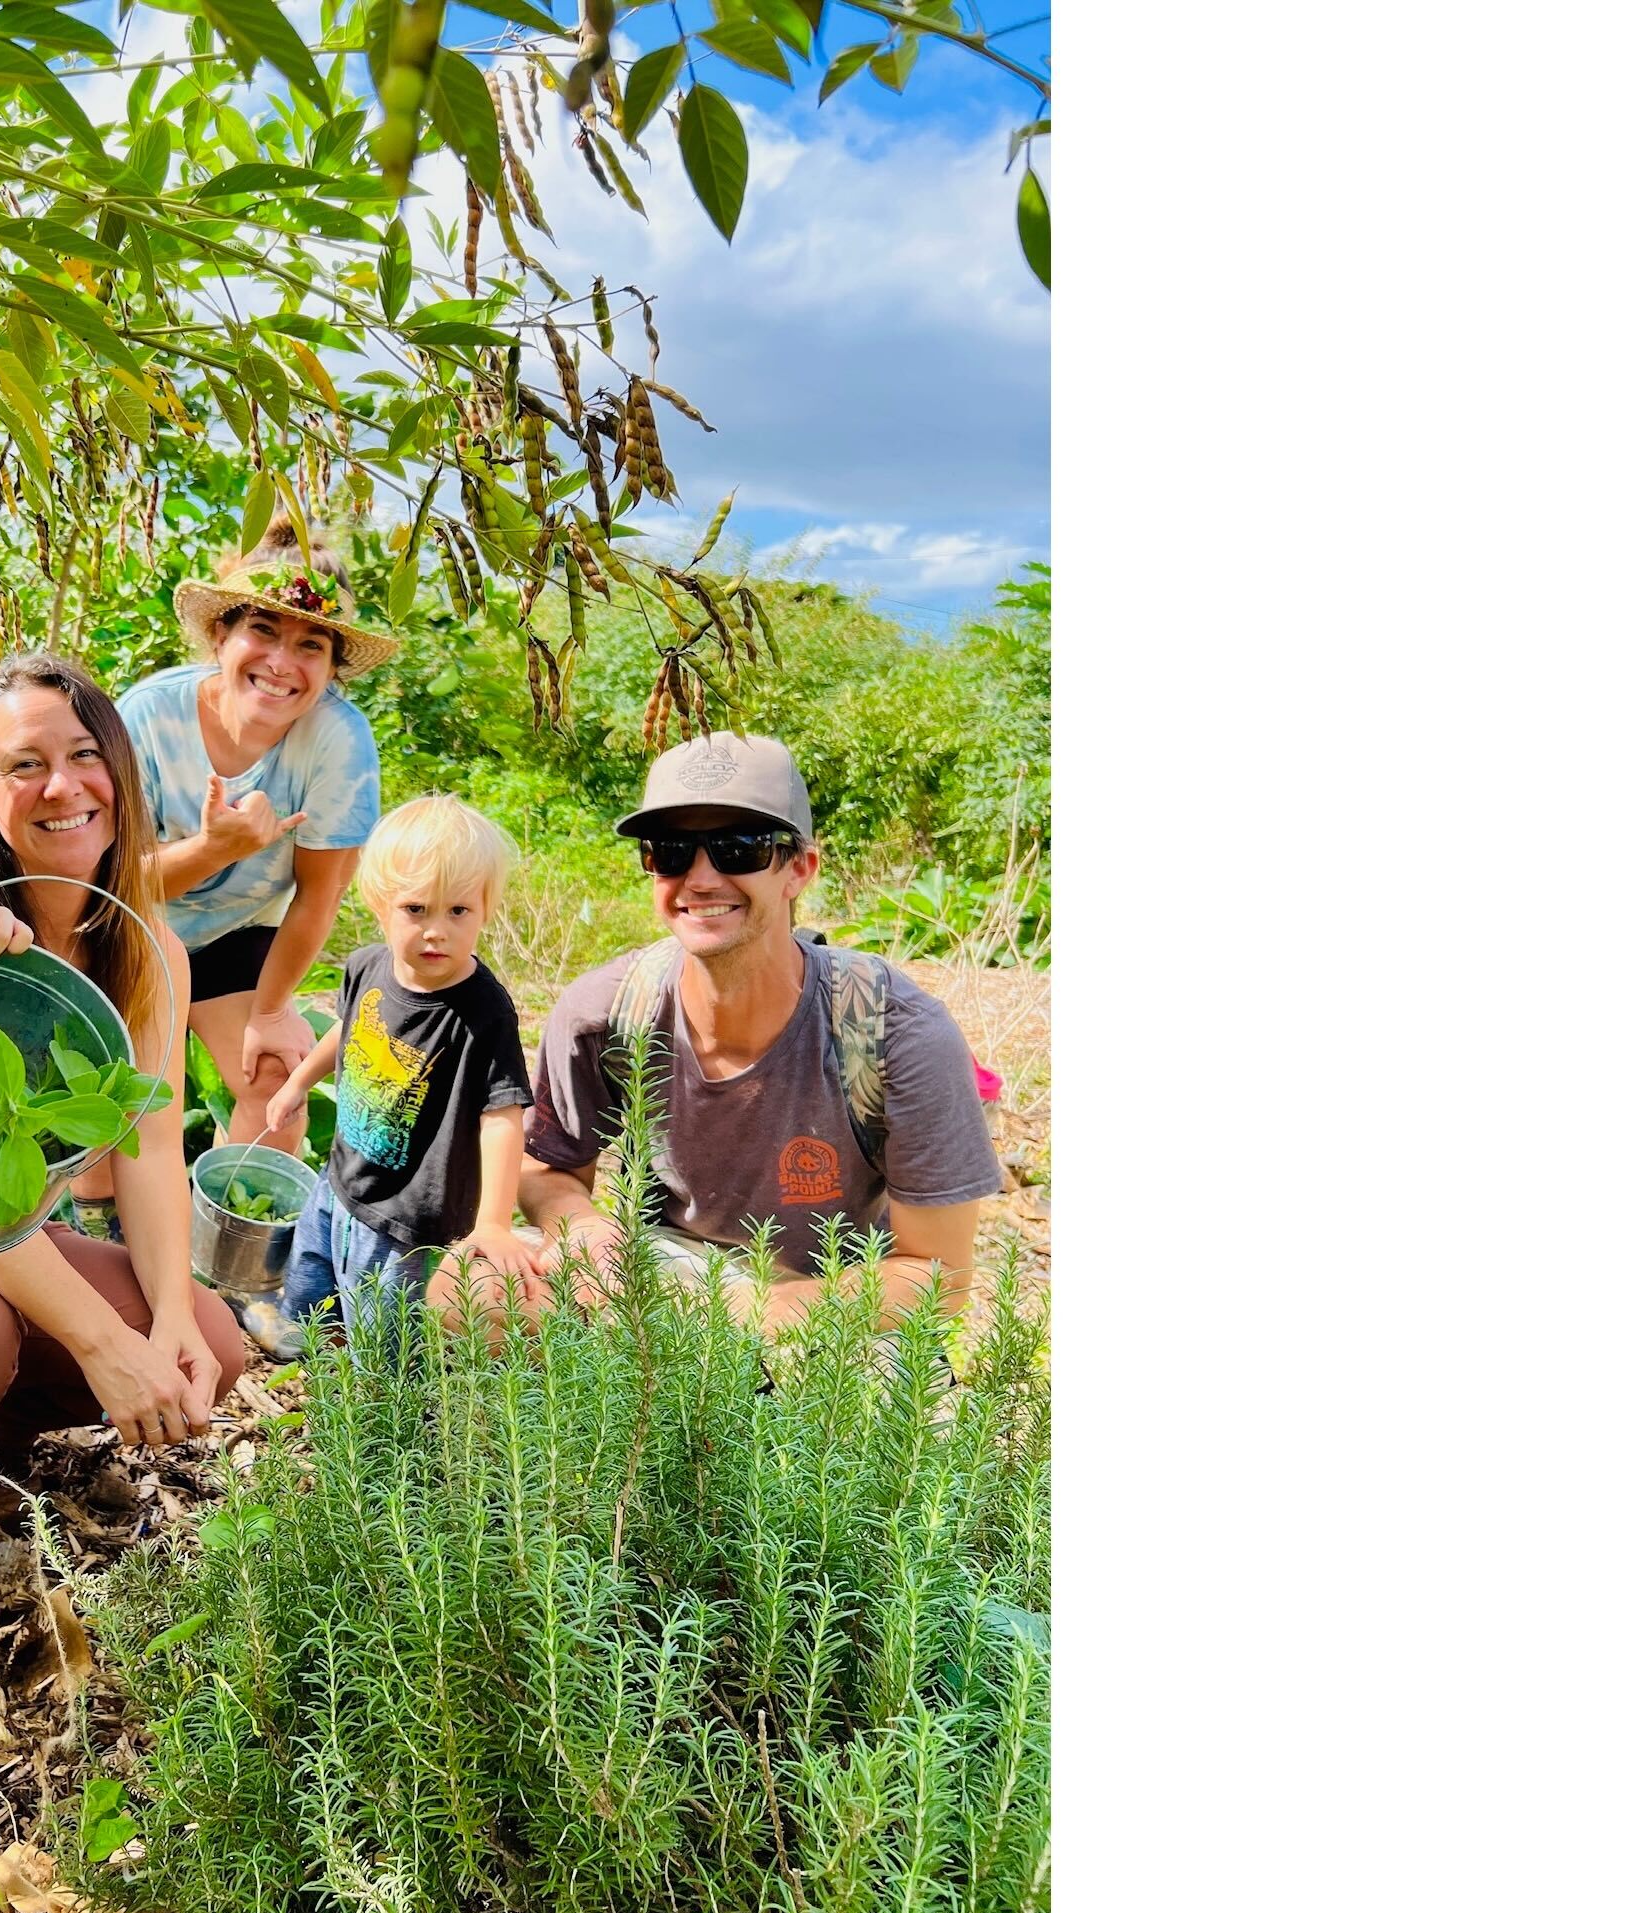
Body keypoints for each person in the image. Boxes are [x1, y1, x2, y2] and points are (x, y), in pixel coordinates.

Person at [490, 732, 1005, 1341]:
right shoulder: (606, 1012)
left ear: (799, 870)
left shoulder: (895, 1031)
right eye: (672, 850)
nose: (701, 878)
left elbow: (937, 1274)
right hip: (665, 1266)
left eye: (739, 848)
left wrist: (733, 1321)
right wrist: (579, 1226)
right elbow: (543, 1167)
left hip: (835, 1302)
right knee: (466, 1290)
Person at [0, 653, 250, 1454]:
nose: (62, 786)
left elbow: (150, 1147)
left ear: (119, 769)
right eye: (25, 765)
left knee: (213, 1344)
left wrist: (175, 1314)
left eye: (85, 755)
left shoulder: (151, 954)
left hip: (28, 1235)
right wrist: (101, 1343)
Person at [113, 521, 398, 1150]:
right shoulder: (147, 716)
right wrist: (218, 848)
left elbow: (318, 897)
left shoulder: (338, 741)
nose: (281, 663)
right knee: (121, 1102)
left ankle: (231, 1238)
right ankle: (105, 1233)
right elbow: (111, 884)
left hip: (234, 930)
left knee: (276, 1084)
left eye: (310, 646)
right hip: (131, 925)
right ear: (221, 636)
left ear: (331, 669)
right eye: (262, 631)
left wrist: (270, 1013)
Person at [259, 795, 550, 1358]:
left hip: (409, 1213)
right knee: (310, 1270)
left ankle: (381, 1409)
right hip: (343, 1175)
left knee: (385, 1325)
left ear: (486, 910)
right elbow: (345, 1028)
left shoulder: (484, 1012)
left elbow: (503, 1117)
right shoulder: (368, 965)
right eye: (416, 910)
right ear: (381, 906)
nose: (435, 931)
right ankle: (300, 1347)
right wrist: (298, 1083)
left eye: (457, 911)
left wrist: (493, 1222)